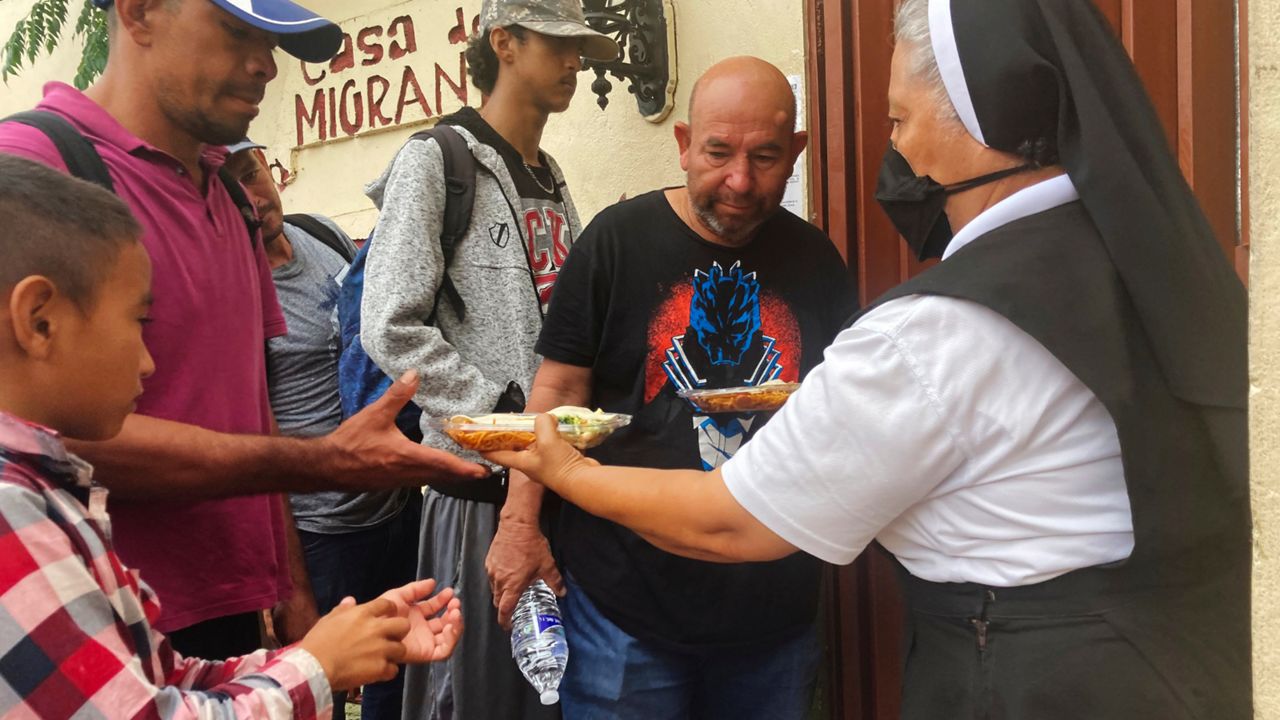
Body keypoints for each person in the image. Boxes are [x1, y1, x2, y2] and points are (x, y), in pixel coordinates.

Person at [485, 1, 1251, 718]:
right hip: (1174, 665)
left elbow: (731, 522)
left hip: (1027, 677)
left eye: (900, 118)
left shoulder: (936, 329)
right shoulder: (1142, 269)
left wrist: (564, 470)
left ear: (972, 124)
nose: (897, 148)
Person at [0, 0, 485, 664]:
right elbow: (28, 436)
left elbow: (253, 404)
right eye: (236, 33)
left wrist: (290, 587)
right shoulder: (32, 169)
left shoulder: (230, 198)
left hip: (232, 615)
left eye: (271, 43)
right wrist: (325, 461)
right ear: (140, 13)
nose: (265, 66)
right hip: (82, 613)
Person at [0, 153, 464, 720]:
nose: (148, 363)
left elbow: (161, 682)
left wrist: (331, 648)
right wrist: (318, 665)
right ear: (39, 320)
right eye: (138, 323)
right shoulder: (12, 511)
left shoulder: (48, 491)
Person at [486, 56, 855, 719]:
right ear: (683, 144)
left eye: (765, 157)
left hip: (774, 616)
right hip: (623, 613)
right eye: (718, 152)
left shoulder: (818, 262)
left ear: (796, 153)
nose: (739, 180)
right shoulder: (615, 243)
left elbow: (839, 411)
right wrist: (519, 525)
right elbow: (558, 392)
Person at [358, 1, 616, 717]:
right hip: (476, 497)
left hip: (559, 487)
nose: (575, 62)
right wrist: (505, 418)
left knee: (549, 693)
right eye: (557, 44)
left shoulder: (550, 174)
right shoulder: (437, 160)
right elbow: (389, 326)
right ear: (503, 42)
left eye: (579, 48)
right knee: (473, 698)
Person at [223, 138, 421, 720]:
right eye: (230, 189)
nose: (251, 197)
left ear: (270, 167)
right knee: (320, 691)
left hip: (395, 508)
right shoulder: (235, 291)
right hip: (321, 536)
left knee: (404, 673)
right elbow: (252, 441)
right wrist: (292, 588)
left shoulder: (324, 235)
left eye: (252, 174)